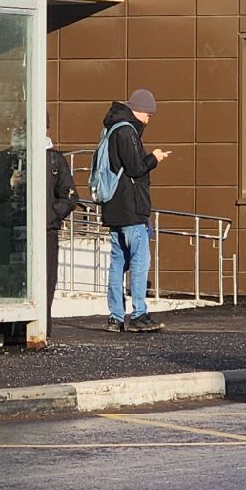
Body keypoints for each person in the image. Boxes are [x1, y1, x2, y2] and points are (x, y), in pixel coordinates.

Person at [101, 89, 170, 333]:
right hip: (131, 208)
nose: (149, 120)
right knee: (140, 261)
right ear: (140, 111)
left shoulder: (111, 129)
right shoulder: (126, 131)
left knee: (117, 263)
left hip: (113, 207)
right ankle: (139, 314)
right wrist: (154, 157)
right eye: (149, 114)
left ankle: (115, 317)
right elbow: (135, 168)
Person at [46, 137, 80, 336]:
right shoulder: (12, 158)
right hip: (18, 228)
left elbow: (69, 195)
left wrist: (50, 215)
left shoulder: (54, 160)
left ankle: (42, 327)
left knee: (47, 280)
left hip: (46, 230)